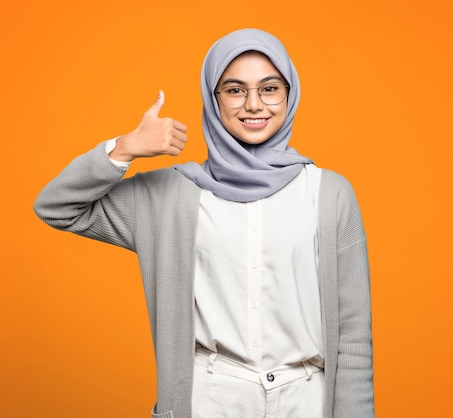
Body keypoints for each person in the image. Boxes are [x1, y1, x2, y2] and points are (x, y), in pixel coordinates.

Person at [34, 28, 374, 418]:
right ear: (214, 100)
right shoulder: (169, 195)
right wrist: (124, 147)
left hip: (307, 401)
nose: (253, 104)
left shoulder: (329, 194)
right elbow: (57, 206)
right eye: (234, 90)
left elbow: (353, 332)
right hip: (208, 399)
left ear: (289, 94)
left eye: (269, 88)